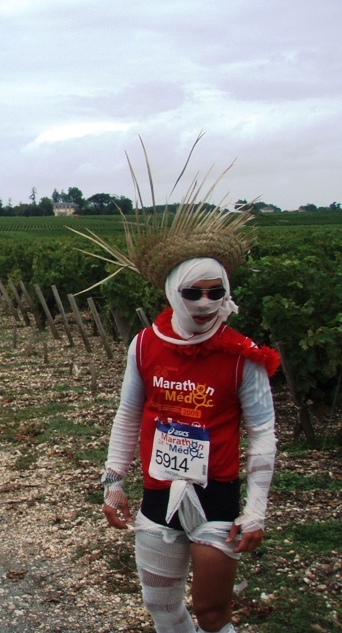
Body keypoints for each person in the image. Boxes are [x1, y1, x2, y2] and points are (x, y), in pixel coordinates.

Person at [79, 143, 279, 633]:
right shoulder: (146, 345)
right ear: (173, 291)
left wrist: (254, 510)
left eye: (217, 292)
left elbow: (264, 432)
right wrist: (113, 482)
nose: (207, 302)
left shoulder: (243, 356)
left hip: (217, 499)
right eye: (194, 292)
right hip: (157, 493)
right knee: (163, 609)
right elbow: (128, 415)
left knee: (213, 614)